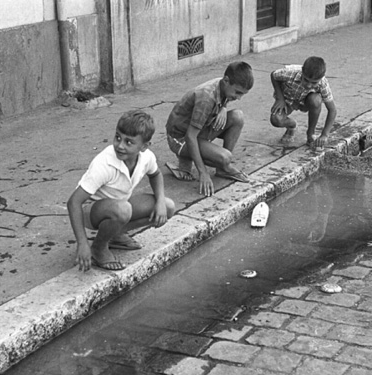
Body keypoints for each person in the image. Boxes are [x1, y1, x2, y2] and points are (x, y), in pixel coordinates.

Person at [67, 110, 175, 272]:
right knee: (123, 210)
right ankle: (99, 247)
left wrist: (159, 202)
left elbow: (156, 174)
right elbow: (74, 202)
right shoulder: (104, 163)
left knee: (168, 207)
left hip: (119, 206)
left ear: (144, 146)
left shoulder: (147, 158)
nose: (120, 145)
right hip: (91, 211)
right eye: (118, 137)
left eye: (129, 142)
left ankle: (113, 235)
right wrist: (82, 243)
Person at [165, 61, 254, 197]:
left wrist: (223, 108)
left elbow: (225, 96)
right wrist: (203, 172)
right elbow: (190, 136)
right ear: (226, 80)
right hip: (181, 138)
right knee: (225, 157)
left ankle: (222, 169)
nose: (239, 98)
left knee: (237, 117)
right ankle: (220, 163)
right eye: (238, 92)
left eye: (243, 94)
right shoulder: (206, 99)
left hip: (200, 129)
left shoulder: (223, 85)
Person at [269, 56, 337, 150]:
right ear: (302, 71)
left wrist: (324, 134)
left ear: (321, 78)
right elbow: (274, 75)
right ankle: (292, 126)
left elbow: (332, 110)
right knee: (276, 119)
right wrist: (280, 99)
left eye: (314, 83)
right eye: (306, 80)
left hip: (306, 102)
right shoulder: (290, 73)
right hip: (288, 100)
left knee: (315, 100)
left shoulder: (323, 83)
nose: (309, 85)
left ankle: (310, 134)